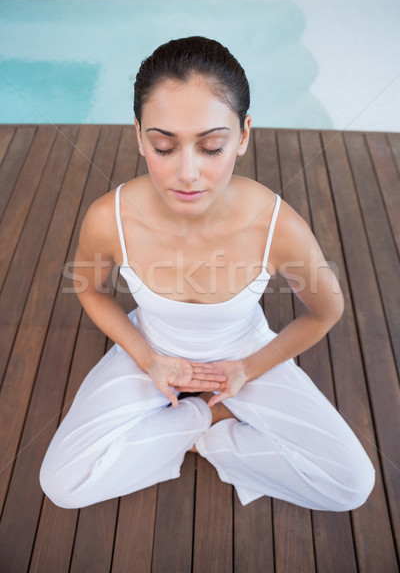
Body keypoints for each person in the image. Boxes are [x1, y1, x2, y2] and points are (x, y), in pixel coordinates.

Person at [40, 36, 375, 511]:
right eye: (163, 146)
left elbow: (326, 312)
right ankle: (197, 421)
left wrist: (247, 369)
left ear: (243, 136)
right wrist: (147, 357)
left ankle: (212, 434)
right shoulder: (109, 217)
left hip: (241, 352)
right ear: (138, 135)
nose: (188, 173)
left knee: (351, 484)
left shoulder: (279, 226)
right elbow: (89, 290)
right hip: (151, 349)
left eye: (212, 147)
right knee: (61, 483)